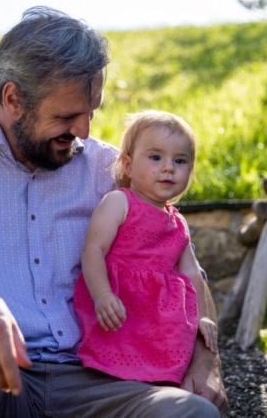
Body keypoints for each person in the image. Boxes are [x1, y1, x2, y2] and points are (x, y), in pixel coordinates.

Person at [0, 6, 228, 418]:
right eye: (68, 116)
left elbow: (182, 266)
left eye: (91, 112)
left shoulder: (112, 170)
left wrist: (206, 362)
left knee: (192, 413)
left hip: (101, 377)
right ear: (13, 99)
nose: (84, 131)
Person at [73, 110, 218, 388]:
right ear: (128, 166)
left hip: (161, 319)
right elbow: (93, 250)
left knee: (164, 375)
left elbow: (191, 272)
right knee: (115, 366)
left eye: (180, 161)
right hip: (122, 307)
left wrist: (201, 315)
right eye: (155, 157)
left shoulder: (178, 222)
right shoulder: (119, 202)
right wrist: (102, 295)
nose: (168, 168)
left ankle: (161, 388)